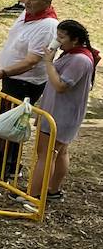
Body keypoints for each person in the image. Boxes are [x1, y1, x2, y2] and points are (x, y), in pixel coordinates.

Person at [0, 0, 59, 183]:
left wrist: (3, 71)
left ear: (46, 2)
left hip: (24, 83)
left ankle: (0, 171)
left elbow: (32, 61)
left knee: (7, 127)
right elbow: (16, 42)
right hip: (11, 79)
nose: (27, 1)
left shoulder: (47, 26)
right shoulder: (27, 14)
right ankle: (10, 166)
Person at [28, 19, 96, 203]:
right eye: (56, 36)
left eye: (62, 37)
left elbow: (60, 85)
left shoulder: (79, 59)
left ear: (75, 40)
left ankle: (34, 195)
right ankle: (52, 190)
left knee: (46, 154)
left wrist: (48, 62)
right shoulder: (70, 54)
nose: (57, 40)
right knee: (59, 152)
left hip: (61, 115)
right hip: (57, 111)